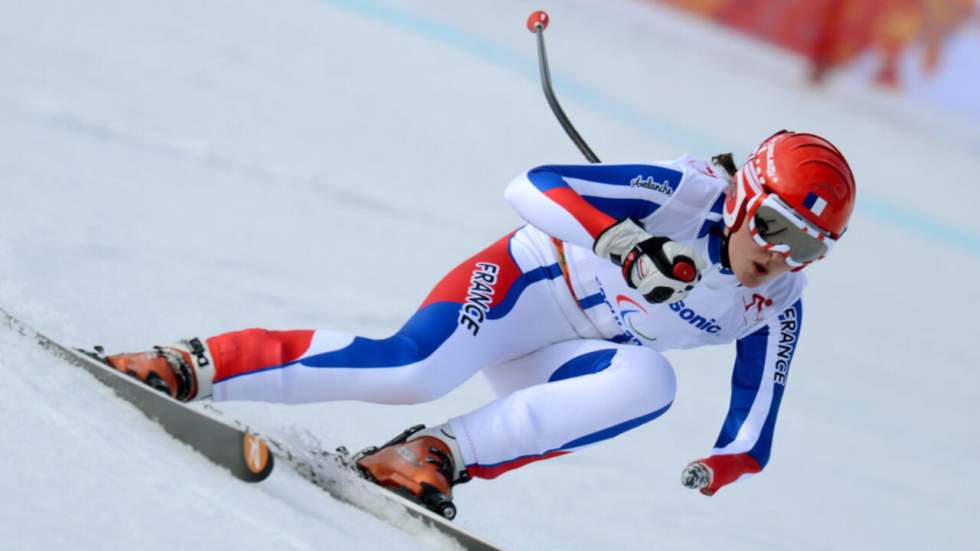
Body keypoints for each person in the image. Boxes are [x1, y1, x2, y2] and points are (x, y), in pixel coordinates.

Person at [103, 130, 855, 514]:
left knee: (650, 381)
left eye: (812, 246)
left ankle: (427, 454)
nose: (784, 255)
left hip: (570, 349)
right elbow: (530, 185)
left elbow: (756, 422)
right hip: (524, 284)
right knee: (411, 370)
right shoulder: (686, 194)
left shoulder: (777, 299)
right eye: (778, 227)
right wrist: (625, 239)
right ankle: (193, 362)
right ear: (746, 195)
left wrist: (723, 463)